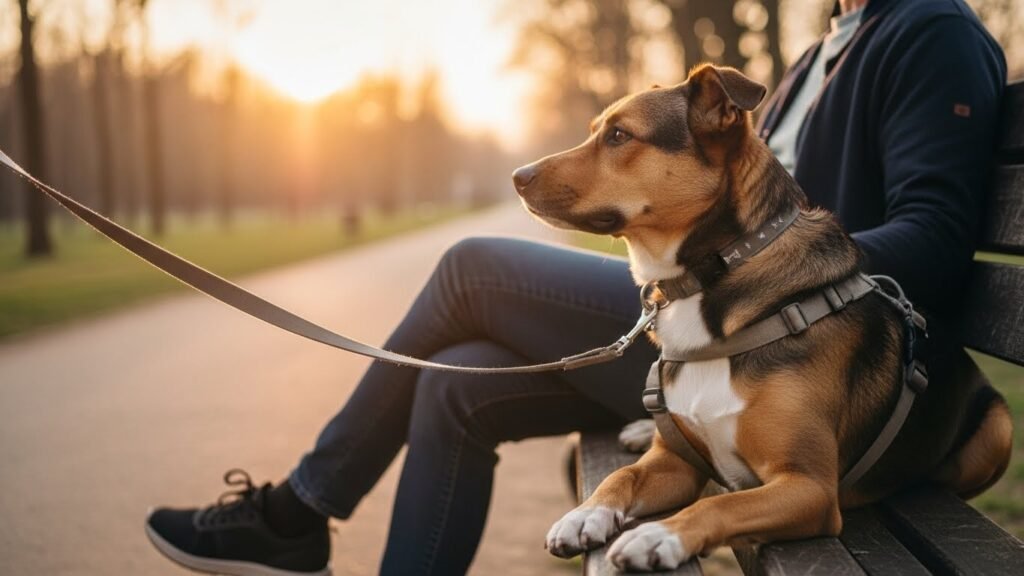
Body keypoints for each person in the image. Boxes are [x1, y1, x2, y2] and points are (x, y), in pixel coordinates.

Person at [145, 0, 1007, 574]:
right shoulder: (827, 43)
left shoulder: (928, 30)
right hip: (707, 318)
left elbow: (931, 238)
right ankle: (304, 515)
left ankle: (302, 508)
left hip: (785, 334)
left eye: (615, 142)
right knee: (455, 384)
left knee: (472, 269)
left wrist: (781, 274)